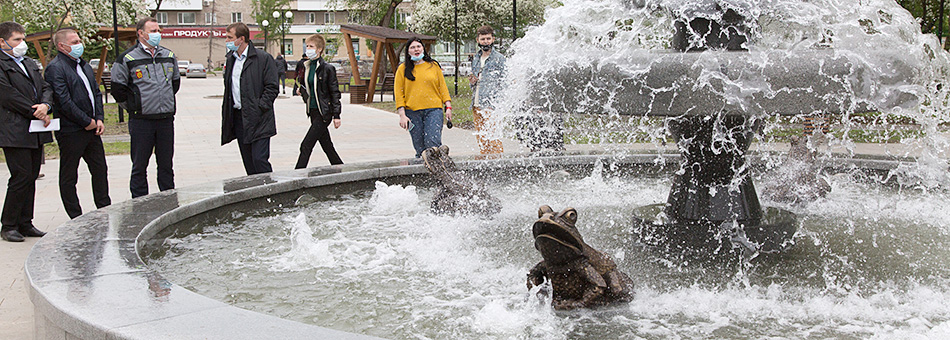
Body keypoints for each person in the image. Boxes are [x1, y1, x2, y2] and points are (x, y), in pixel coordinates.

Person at [45, 28, 111, 219]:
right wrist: (86, 121)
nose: (79, 45)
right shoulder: (56, 68)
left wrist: (98, 118)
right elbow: (63, 101)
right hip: (71, 130)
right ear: (61, 46)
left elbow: (96, 93)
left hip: (93, 129)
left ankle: (104, 208)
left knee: (100, 170)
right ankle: (75, 216)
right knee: (69, 175)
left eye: (79, 40)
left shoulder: (84, 65)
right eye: (74, 42)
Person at [111, 17, 180, 198]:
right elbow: (118, 90)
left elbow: (175, 85)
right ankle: (140, 203)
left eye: (158, 30)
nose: (157, 34)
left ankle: (168, 200)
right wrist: (135, 107)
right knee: (140, 165)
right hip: (141, 121)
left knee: (166, 165)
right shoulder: (127, 58)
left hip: (165, 119)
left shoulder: (168, 55)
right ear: (140, 33)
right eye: (153, 31)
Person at [0, 21, 53, 242]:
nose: (22, 44)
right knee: (21, 176)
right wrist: (36, 112)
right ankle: (9, 225)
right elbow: (8, 95)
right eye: (17, 40)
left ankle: (25, 222)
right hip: (14, 129)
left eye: (23, 39)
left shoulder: (28, 63)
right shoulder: (2, 64)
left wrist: (46, 105)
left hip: (34, 128)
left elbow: (45, 87)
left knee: (31, 175)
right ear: (2, 42)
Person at [221, 22, 279, 175]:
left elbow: (272, 87)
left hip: (260, 118)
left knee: (259, 160)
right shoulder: (231, 59)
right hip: (240, 118)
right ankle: (256, 195)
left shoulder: (263, 58)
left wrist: (260, 106)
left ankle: (270, 193)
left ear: (241, 39)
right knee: (249, 162)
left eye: (229, 37)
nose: (226, 41)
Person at [394, 37, 452, 158]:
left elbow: (443, 88)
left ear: (423, 49)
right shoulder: (402, 69)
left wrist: (448, 106)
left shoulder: (433, 66)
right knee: (420, 147)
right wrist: (402, 115)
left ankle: (439, 168)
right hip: (412, 113)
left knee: (432, 142)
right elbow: (399, 93)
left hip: (434, 110)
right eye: (412, 47)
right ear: (408, 51)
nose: (416, 50)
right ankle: (422, 172)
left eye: (418, 46)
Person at [295, 34, 343, 168]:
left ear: (319, 49)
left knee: (306, 145)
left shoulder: (327, 69)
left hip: (324, 113)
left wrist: (336, 115)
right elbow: (310, 88)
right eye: (307, 46)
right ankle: (340, 168)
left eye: (311, 46)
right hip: (313, 111)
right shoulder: (307, 66)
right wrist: (302, 91)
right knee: (327, 146)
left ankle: (297, 174)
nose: (308, 49)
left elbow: (334, 93)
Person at [469, 25, 506, 155]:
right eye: (483, 39)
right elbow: (474, 82)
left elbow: (504, 83)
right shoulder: (476, 58)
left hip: (491, 105)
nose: (486, 41)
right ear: (478, 40)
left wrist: (496, 103)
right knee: (481, 139)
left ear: (493, 39)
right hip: (476, 104)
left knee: (494, 139)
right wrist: (472, 81)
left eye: (488, 38)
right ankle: (484, 165)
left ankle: (498, 165)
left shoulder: (499, 59)